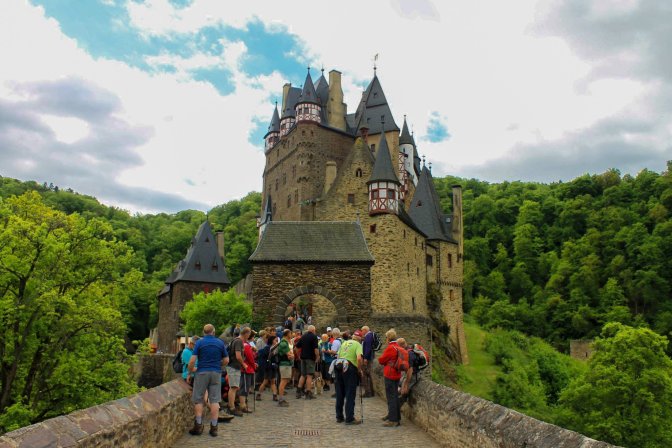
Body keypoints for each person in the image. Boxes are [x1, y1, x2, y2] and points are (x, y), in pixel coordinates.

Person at [187, 324, 229, 437]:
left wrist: (191, 370)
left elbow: (192, 360)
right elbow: (226, 360)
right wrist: (218, 365)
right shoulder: (220, 343)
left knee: (199, 399)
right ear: (213, 332)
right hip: (216, 373)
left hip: (202, 372)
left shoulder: (199, 343)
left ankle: (198, 426)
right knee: (214, 400)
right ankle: (214, 427)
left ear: (204, 332)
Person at [333, 330, 363, 425]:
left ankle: (339, 417)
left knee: (340, 393)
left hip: (339, 366)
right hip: (350, 368)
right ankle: (349, 418)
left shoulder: (344, 343)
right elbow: (359, 358)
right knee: (350, 393)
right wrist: (359, 370)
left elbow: (338, 356)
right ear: (359, 338)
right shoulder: (358, 345)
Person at [377, 328, 402, 427]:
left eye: (386, 337)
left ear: (388, 338)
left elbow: (381, 360)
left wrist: (382, 360)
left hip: (390, 374)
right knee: (395, 396)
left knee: (391, 397)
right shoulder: (398, 347)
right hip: (397, 374)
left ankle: (393, 420)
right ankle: (397, 417)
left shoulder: (390, 348)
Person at [295, 325, 319, 399]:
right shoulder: (314, 337)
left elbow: (296, 347)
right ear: (313, 330)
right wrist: (317, 357)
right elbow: (316, 349)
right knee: (309, 375)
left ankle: (298, 391)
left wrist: (298, 355)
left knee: (303, 375)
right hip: (310, 358)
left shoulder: (303, 336)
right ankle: (308, 393)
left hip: (303, 358)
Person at [225, 328, 245, 417]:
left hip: (232, 366)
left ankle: (231, 405)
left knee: (234, 387)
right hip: (234, 366)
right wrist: (244, 364)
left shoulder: (235, 340)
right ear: (246, 334)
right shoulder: (238, 341)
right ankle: (231, 408)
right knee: (233, 387)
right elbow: (238, 356)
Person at [238, 327, 256, 413]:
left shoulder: (243, 344)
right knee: (245, 387)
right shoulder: (246, 345)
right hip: (247, 369)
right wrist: (254, 365)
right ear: (246, 334)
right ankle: (243, 405)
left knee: (244, 386)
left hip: (245, 368)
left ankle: (243, 404)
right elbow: (250, 358)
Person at [256, 334, 279, 401]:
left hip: (273, 367)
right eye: (275, 340)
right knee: (265, 381)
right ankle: (258, 395)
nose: (276, 342)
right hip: (268, 367)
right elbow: (266, 357)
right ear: (272, 341)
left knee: (273, 382)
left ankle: (274, 395)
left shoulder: (274, 348)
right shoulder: (268, 348)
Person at [277, 329, 294, 407]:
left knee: (285, 380)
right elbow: (290, 355)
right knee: (283, 381)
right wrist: (291, 355)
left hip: (286, 364)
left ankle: (281, 398)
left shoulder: (285, 342)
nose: (291, 334)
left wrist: (291, 355)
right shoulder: (283, 343)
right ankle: (281, 399)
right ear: (287, 334)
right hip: (285, 364)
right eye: (290, 333)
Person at [360, 326, 375, 397]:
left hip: (367, 359)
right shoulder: (370, 335)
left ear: (365, 330)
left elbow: (368, 347)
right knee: (369, 375)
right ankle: (371, 391)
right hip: (369, 358)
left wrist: (365, 358)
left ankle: (368, 392)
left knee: (365, 375)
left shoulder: (368, 336)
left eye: (362, 330)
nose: (361, 332)